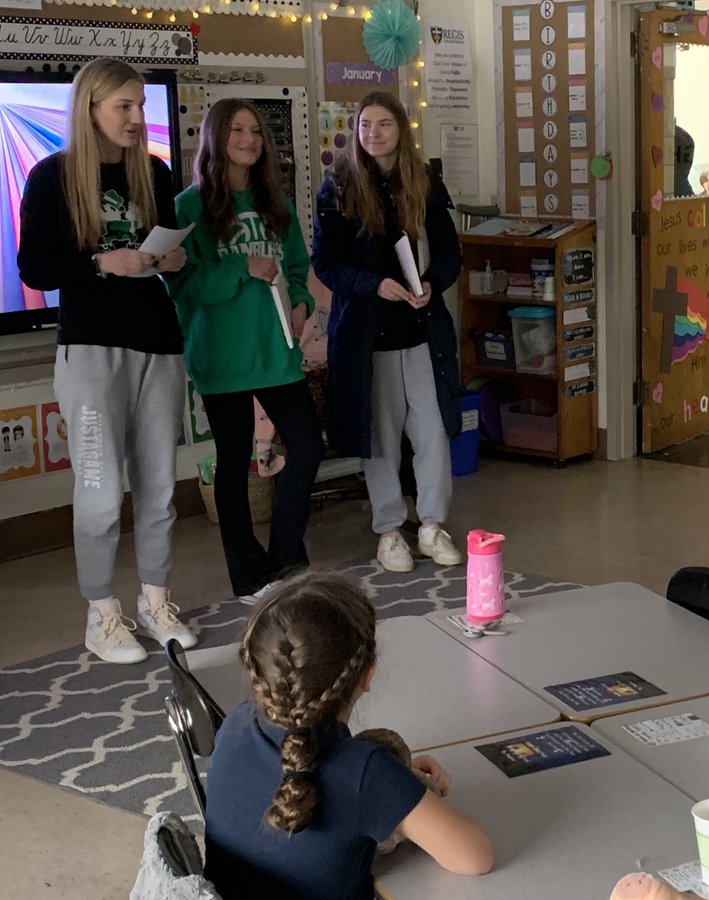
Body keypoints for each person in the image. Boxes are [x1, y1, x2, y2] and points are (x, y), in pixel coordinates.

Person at [17, 59, 194, 663]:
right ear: (90, 107)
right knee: (98, 491)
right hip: (91, 349)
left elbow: (175, 252)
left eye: (141, 106)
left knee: (158, 488)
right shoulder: (51, 177)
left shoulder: (157, 173)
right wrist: (99, 263)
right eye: (124, 106)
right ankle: (102, 614)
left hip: (159, 347)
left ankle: (154, 600)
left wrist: (173, 263)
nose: (137, 118)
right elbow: (34, 270)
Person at [203, 572, 492, 899]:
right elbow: (474, 857)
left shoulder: (235, 723)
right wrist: (396, 791)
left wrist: (395, 789)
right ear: (368, 674)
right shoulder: (367, 774)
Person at [170, 99, 323, 602]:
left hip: (276, 350)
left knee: (307, 444)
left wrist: (300, 301)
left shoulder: (275, 202)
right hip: (223, 356)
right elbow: (184, 287)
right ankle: (248, 572)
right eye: (237, 129)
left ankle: (286, 557)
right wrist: (242, 269)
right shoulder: (189, 206)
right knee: (234, 462)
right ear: (216, 137)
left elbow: (297, 267)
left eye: (256, 131)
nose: (249, 139)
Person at [311, 92, 464, 572]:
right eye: (365, 125)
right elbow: (327, 265)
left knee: (433, 431)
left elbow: (448, 255)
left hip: (421, 333)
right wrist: (374, 284)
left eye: (383, 124)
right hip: (367, 337)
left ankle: (433, 524)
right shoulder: (337, 188)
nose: (373, 134)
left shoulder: (426, 184)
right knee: (377, 435)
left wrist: (433, 284)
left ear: (401, 129)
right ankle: (390, 530)